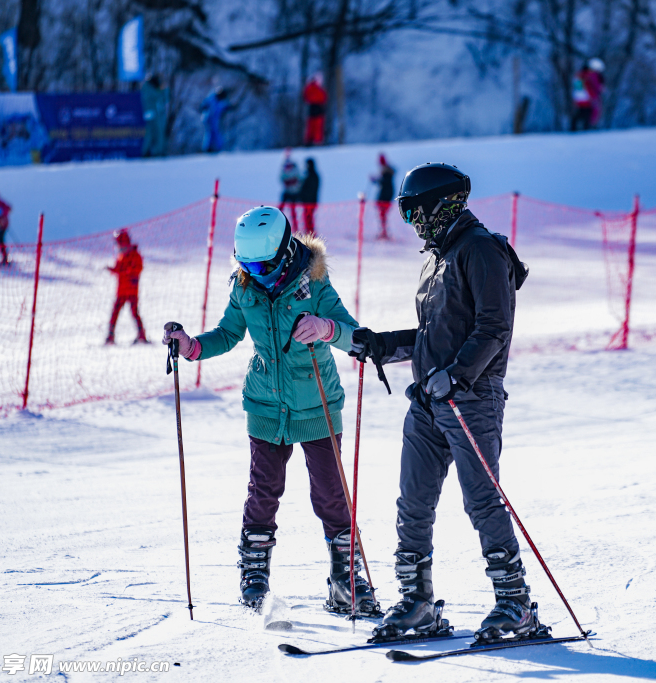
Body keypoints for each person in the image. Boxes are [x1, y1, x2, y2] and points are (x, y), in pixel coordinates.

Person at [348, 163, 535, 644]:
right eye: (405, 211)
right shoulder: (438, 257)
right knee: (413, 502)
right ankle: (417, 603)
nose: (411, 221)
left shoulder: (481, 251)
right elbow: (434, 336)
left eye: (414, 209)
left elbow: (495, 327)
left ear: (441, 204)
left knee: (481, 500)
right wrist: (383, 345)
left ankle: (514, 603)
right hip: (430, 400)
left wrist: (457, 375)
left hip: (471, 399)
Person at [162, 206, 379, 616]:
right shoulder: (244, 287)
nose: (254, 272)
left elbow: (353, 334)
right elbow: (228, 333)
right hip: (266, 404)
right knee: (263, 492)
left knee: (331, 495)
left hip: (316, 400)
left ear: (283, 253)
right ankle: (254, 574)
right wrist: (191, 346)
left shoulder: (314, 284)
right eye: (246, 264)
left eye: (262, 264)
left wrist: (325, 328)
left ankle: (345, 581)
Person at [106, 229, 149, 345]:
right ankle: (110, 336)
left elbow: (137, 269)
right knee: (115, 313)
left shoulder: (135, 255)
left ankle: (141, 335)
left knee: (134, 312)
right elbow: (119, 270)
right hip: (121, 291)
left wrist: (126, 272)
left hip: (132, 291)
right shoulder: (121, 256)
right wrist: (112, 270)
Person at [570, 58, 605, 131]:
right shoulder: (591, 75)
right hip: (588, 99)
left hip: (579, 99)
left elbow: (577, 87)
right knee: (588, 115)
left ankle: (574, 129)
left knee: (580, 114)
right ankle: (586, 131)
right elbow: (595, 87)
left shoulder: (579, 75)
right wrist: (595, 96)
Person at [141, 73, 169, 157]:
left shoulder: (155, 88)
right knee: (151, 133)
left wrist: (164, 90)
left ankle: (158, 151)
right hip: (151, 113)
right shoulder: (147, 87)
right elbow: (155, 96)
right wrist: (162, 89)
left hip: (157, 114)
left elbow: (165, 99)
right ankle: (148, 151)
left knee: (158, 133)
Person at [370, 153, 396, 239]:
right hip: (386, 198)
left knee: (383, 216)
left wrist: (376, 180)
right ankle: (383, 232)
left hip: (385, 198)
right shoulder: (387, 172)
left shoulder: (386, 173)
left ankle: (384, 233)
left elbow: (384, 183)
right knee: (383, 216)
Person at [201, 86, 231, 153]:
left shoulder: (220, 101)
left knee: (215, 132)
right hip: (208, 118)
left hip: (215, 120)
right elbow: (204, 105)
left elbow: (224, 106)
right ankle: (208, 148)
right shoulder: (211, 98)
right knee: (210, 133)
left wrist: (228, 108)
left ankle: (217, 147)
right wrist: (204, 107)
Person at [278, 150, 302, 231]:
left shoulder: (295, 168)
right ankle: (275, 224)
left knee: (293, 211)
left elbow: (298, 179)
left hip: (293, 193)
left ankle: (295, 228)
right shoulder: (284, 168)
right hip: (287, 192)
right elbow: (282, 178)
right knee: (281, 210)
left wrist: (291, 181)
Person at [303, 74, 327, 146]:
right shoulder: (313, 88)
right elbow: (323, 97)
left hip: (314, 109)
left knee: (314, 126)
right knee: (315, 126)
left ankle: (313, 141)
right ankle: (316, 141)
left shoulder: (310, 88)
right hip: (315, 109)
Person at [298, 157, 319, 236]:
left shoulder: (313, 175)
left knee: (309, 220)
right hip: (307, 202)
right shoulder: (308, 174)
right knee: (307, 219)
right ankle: (309, 234)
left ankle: (311, 235)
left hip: (310, 202)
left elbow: (310, 190)